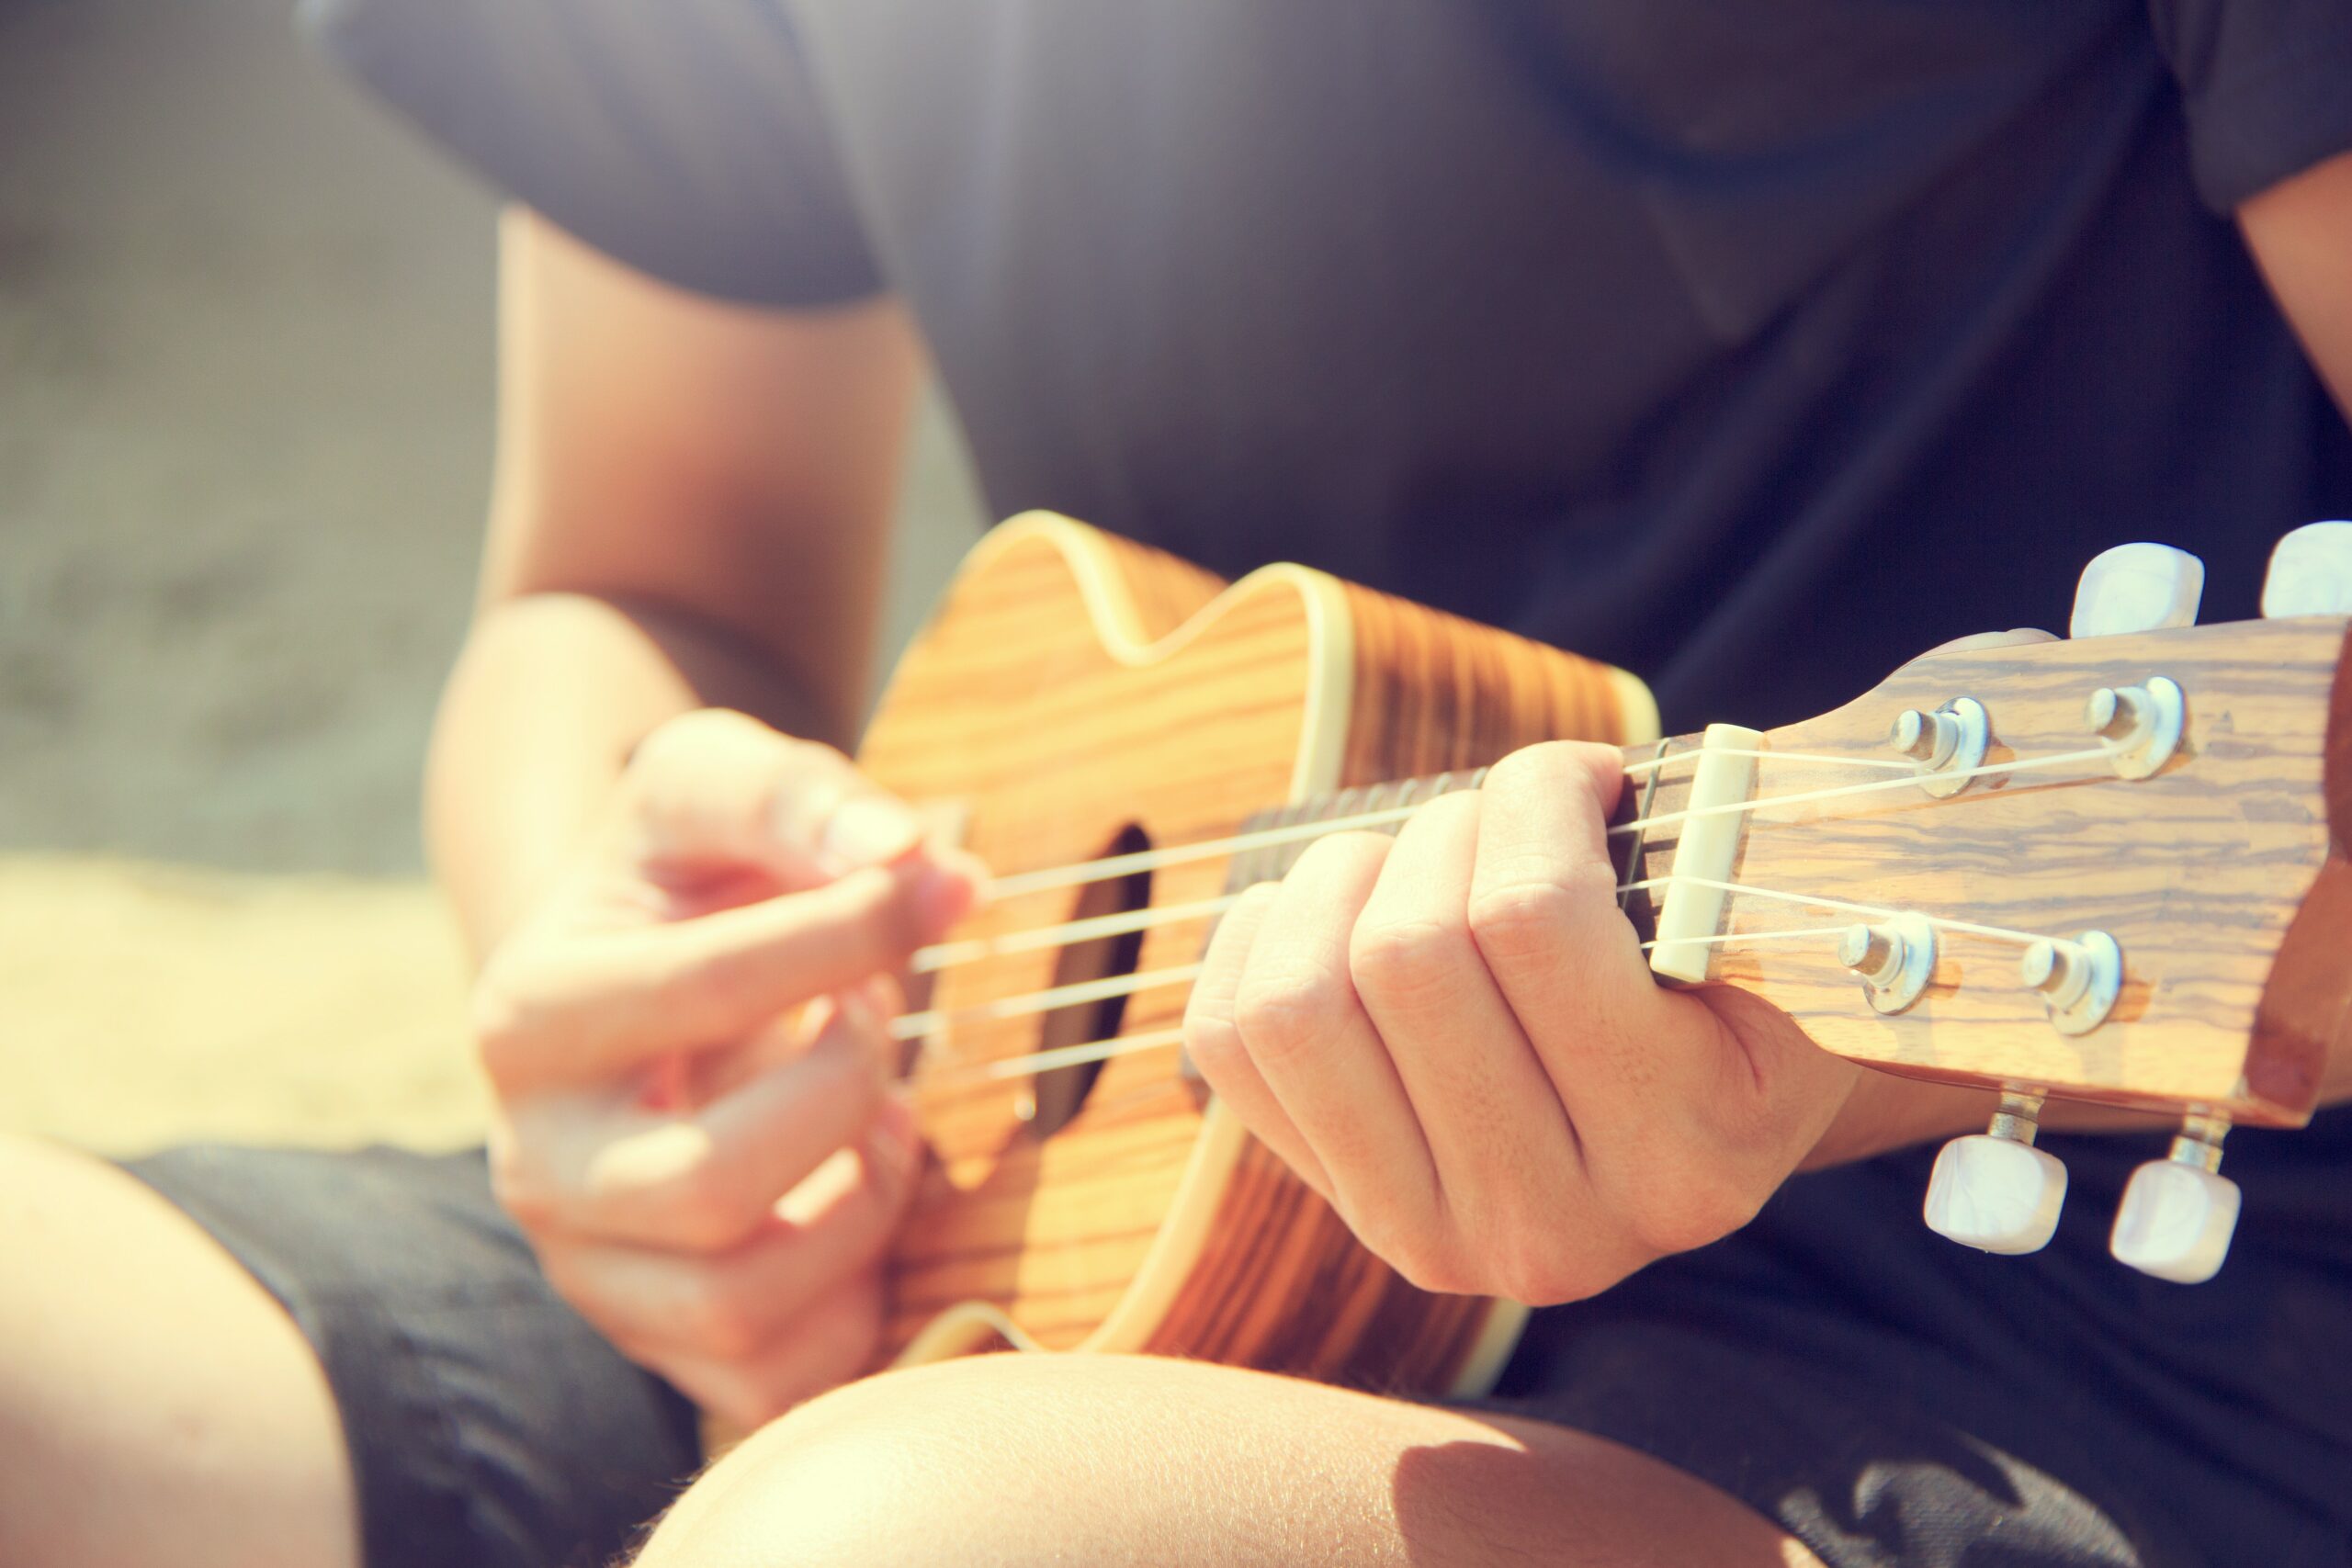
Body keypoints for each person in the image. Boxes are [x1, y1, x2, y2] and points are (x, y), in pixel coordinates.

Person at [6, 2, 2350, 1564]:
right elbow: (638, 572)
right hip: (1007, 1205)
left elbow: (2247, 825)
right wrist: (635, 1004)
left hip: (2075, 1335)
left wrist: (1817, 1033)